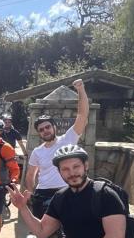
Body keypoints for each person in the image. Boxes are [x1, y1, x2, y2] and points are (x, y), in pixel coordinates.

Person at [26, 79, 89, 218]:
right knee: (42, 234)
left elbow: (82, 116)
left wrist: (81, 90)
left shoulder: (68, 139)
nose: (45, 131)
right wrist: (31, 191)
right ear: (39, 133)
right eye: (41, 129)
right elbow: (30, 175)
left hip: (66, 189)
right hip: (43, 193)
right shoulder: (37, 152)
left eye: (48, 127)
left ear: (54, 127)